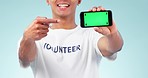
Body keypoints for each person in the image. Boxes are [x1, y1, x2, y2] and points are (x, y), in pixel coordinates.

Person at [18, 0, 123, 78]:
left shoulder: (92, 33)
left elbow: (113, 47)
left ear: (79, 1)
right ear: (47, 0)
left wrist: (112, 33)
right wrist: (27, 39)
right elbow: (25, 59)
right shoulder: (35, 35)